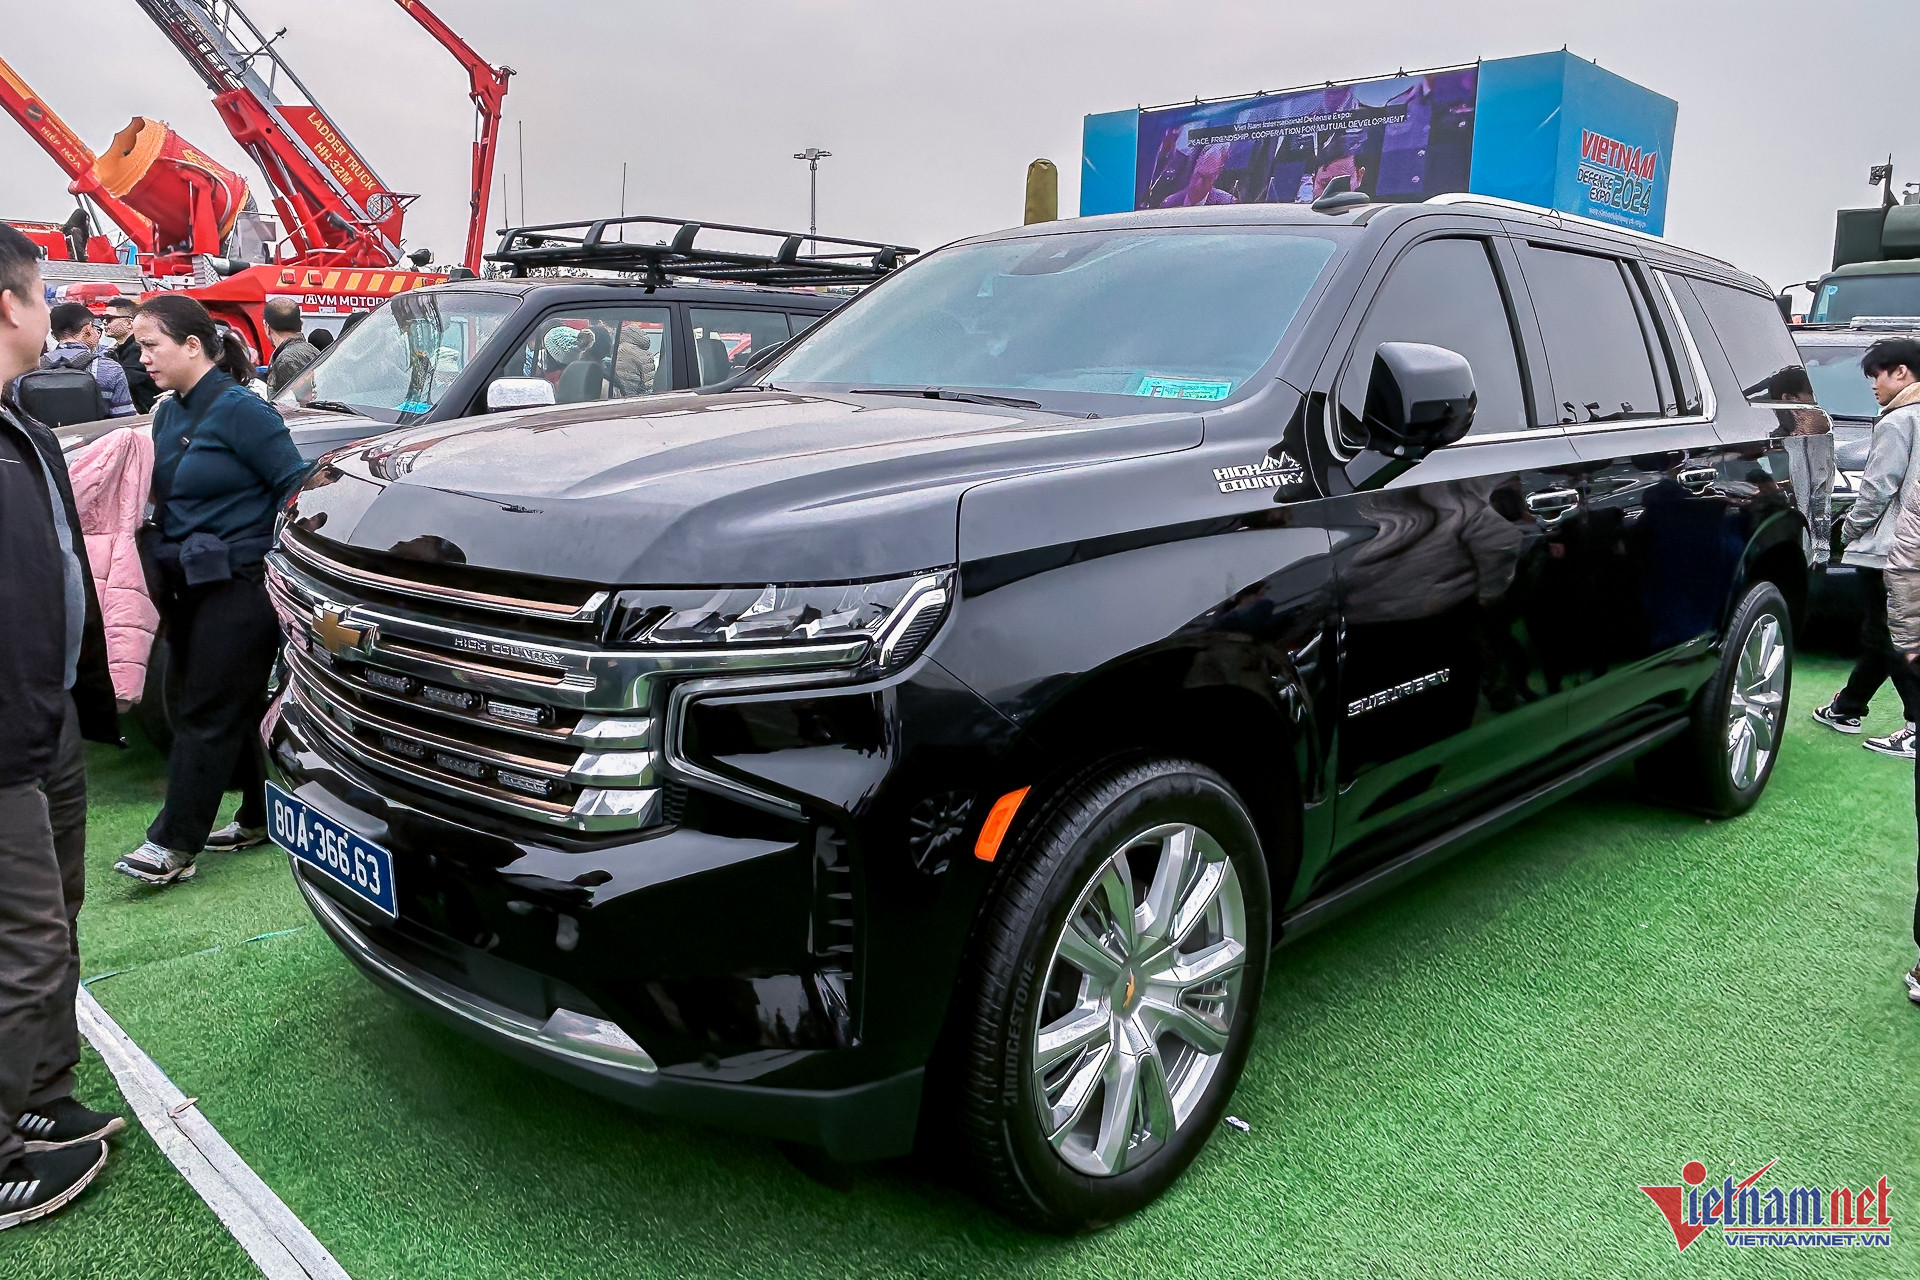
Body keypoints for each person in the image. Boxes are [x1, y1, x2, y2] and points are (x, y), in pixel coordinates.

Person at [0, 223, 125, 1231]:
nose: (54, 310)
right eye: (44, 293)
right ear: (9, 304)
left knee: (55, 920)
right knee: (24, 941)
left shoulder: (25, 424)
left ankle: (41, 1092)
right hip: (4, 737)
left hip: (49, 720)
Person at [114, 294, 304, 887]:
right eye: (139, 346)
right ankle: (259, 815)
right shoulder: (168, 413)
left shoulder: (245, 411)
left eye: (151, 345)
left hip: (241, 585)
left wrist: (261, 554)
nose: (142, 357)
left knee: (206, 708)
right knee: (212, 703)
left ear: (193, 346)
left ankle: (174, 842)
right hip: (186, 582)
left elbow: (296, 487)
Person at [1811, 336, 1920, 759]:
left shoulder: (1898, 421)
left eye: (1877, 374)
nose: (1873, 385)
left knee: (1891, 636)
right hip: (1913, 549)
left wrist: (1848, 529)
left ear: (1901, 372)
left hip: (1888, 549)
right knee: (1883, 635)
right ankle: (1847, 707)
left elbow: (1877, 488)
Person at [21, 302, 135, 419]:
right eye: (95, 328)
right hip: (97, 431)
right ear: (88, 329)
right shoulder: (110, 369)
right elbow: (125, 419)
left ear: (54, 335)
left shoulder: (31, 368)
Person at [101, 296, 160, 414]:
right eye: (103, 318)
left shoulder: (138, 350)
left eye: (109, 318)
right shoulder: (117, 351)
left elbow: (126, 379)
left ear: (128, 323)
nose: (104, 322)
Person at [262, 298, 317, 394]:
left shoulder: (286, 361)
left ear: (267, 327)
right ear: (301, 324)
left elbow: (299, 400)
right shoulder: (312, 350)